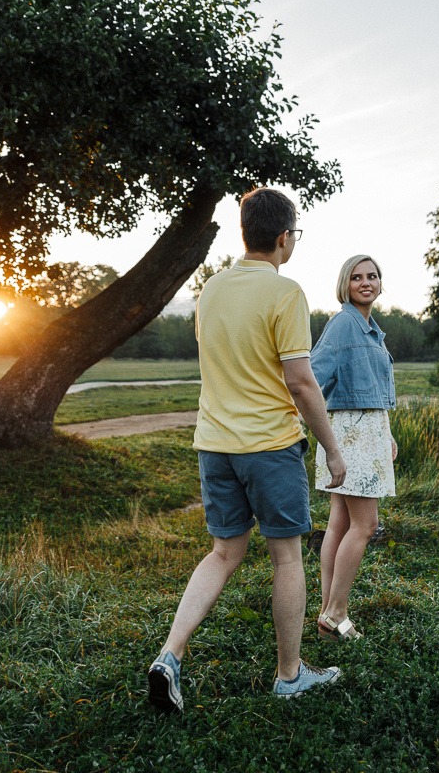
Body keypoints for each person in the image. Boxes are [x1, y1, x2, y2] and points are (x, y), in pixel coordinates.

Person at [147, 188, 348, 713]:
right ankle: (289, 675)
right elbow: (302, 384)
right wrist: (331, 449)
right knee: (286, 556)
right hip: (269, 447)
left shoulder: (210, 290)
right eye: (295, 235)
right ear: (284, 237)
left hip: (214, 445)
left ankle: (170, 655)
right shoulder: (285, 293)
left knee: (223, 552)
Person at [310, 255, 398, 641]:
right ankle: (336, 613)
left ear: (380, 283)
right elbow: (312, 374)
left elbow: (374, 388)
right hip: (350, 434)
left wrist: (386, 432)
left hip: (368, 430)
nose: (366, 282)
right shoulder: (344, 322)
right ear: (345, 284)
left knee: (340, 522)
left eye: (372, 276)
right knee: (365, 524)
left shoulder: (371, 328)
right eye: (357, 277)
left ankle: (327, 609)